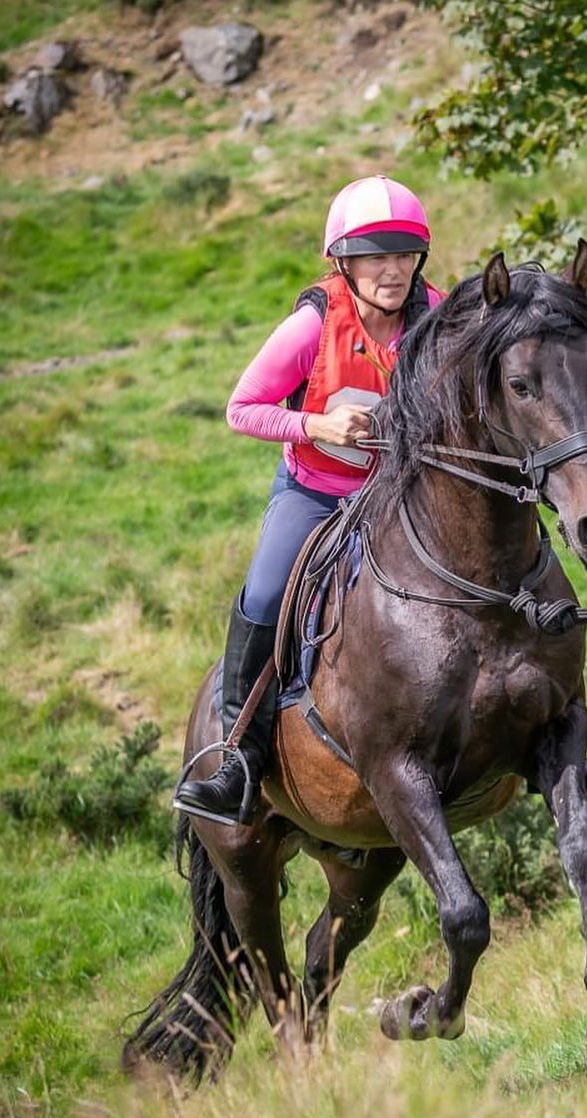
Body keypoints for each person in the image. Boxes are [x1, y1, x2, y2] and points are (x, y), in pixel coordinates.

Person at [174, 174, 446, 824]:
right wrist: (313, 425)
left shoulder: (437, 316)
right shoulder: (311, 324)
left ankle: (538, 731)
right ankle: (236, 760)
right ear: (344, 263)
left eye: (404, 254)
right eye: (376, 256)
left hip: (403, 495)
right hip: (316, 494)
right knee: (267, 596)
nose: (393, 270)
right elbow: (242, 409)